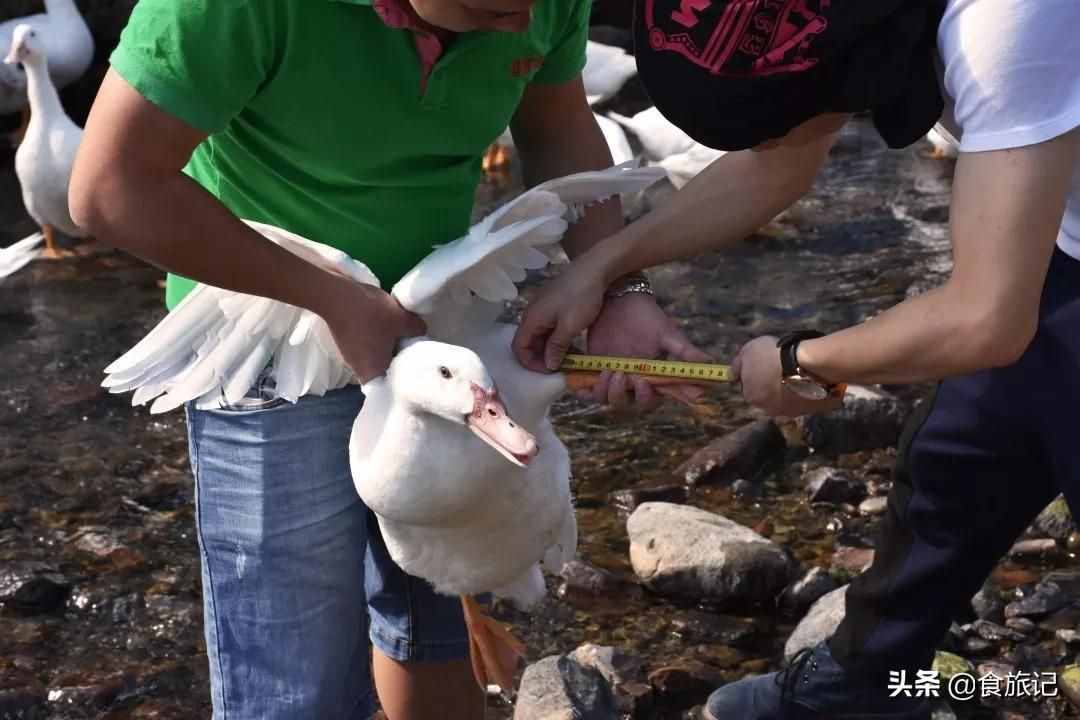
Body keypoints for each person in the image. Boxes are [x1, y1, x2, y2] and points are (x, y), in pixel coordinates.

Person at [67, 0, 707, 717]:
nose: (518, 24)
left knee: (428, 615)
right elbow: (107, 190)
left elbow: (555, 123)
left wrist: (615, 287)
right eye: (490, 8)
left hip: (436, 322)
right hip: (266, 337)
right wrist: (330, 301)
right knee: (294, 683)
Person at [512, 0, 1080, 718]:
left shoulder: (1006, 26)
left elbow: (985, 318)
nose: (774, 142)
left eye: (772, 123)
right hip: (1062, 243)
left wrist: (805, 359)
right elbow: (776, 162)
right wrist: (606, 266)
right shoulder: (834, 20)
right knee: (954, 461)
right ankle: (864, 685)